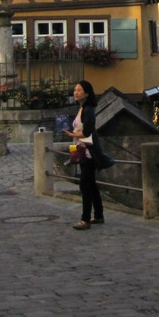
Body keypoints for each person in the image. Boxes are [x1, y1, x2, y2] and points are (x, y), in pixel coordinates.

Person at [63, 80, 118, 231]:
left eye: (79, 90)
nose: (76, 93)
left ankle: (85, 219)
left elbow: (87, 131)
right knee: (91, 184)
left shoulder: (88, 110)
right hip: (82, 151)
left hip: (88, 153)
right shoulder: (82, 108)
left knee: (85, 185)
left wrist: (71, 134)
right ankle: (99, 215)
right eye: (75, 90)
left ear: (86, 93)